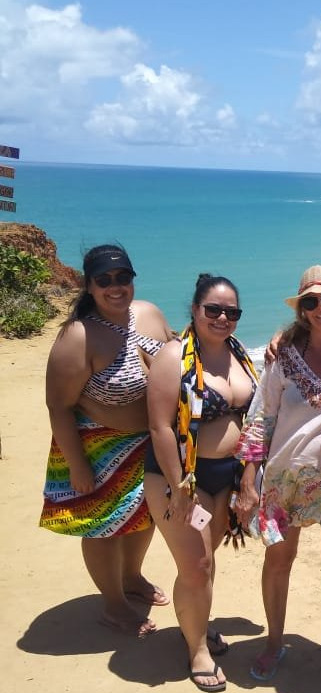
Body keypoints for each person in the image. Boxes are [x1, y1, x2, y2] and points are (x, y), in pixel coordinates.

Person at [234, 264, 321, 682]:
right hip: (284, 478)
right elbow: (261, 419)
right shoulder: (282, 356)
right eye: (311, 301)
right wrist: (246, 482)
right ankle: (273, 642)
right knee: (279, 560)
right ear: (302, 309)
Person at [40, 243, 174, 637]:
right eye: (104, 280)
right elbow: (58, 406)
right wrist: (77, 464)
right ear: (89, 286)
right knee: (103, 527)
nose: (115, 287)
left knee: (144, 516)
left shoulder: (148, 313)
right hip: (97, 448)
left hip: (148, 443)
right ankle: (113, 605)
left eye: (123, 278)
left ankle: (131, 577)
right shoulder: (77, 336)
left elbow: (177, 354)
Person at [144, 274, 257, 692]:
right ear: (195, 310)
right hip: (179, 479)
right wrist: (179, 486)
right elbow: (158, 427)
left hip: (223, 477)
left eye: (232, 312)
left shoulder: (239, 354)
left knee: (208, 561)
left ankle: (199, 624)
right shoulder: (173, 357)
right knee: (195, 566)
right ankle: (197, 651)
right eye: (213, 309)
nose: (223, 317)